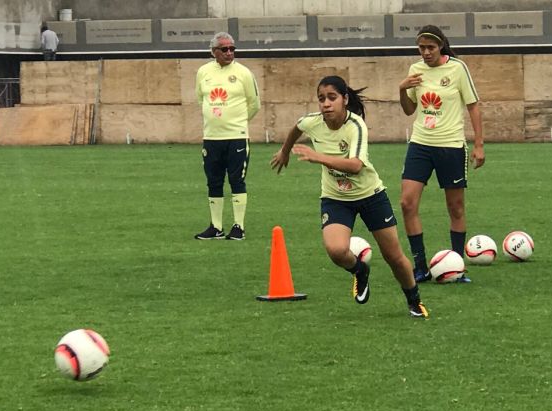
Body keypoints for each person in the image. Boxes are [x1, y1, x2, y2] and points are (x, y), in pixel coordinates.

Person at [270, 75, 429, 319]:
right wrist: (284, 151)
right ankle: (360, 270)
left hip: (370, 196)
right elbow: (297, 127)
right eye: (321, 99)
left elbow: (355, 165)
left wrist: (318, 157)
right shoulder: (313, 123)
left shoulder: (356, 126)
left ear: (344, 99)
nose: (326, 103)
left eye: (332, 97)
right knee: (335, 250)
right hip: (336, 198)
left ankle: (414, 300)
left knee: (394, 257)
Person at [398, 25, 485, 283]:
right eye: (421, 48)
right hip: (420, 144)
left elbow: (473, 106)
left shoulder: (457, 68)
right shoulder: (415, 70)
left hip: (450, 146)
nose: (425, 53)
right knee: (407, 203)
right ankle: (420, 266)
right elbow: (408, 110)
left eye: (430, 48)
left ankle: (457, 267)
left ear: (441, 46)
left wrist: (479, 144)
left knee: (455, 207)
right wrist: (402, 89)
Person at [194, 32, 261, 240]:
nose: (229, 53)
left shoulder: (243, 73)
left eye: (232, 49)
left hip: (237, 137)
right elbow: (200, 99)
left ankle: (238, 226)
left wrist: (238, 122)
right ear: (214, 51)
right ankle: (216, 226)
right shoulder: (203, 72)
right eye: (224, 49)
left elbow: (254, 104)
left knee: (236, 181)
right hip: (212, 137)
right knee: (213, 182)